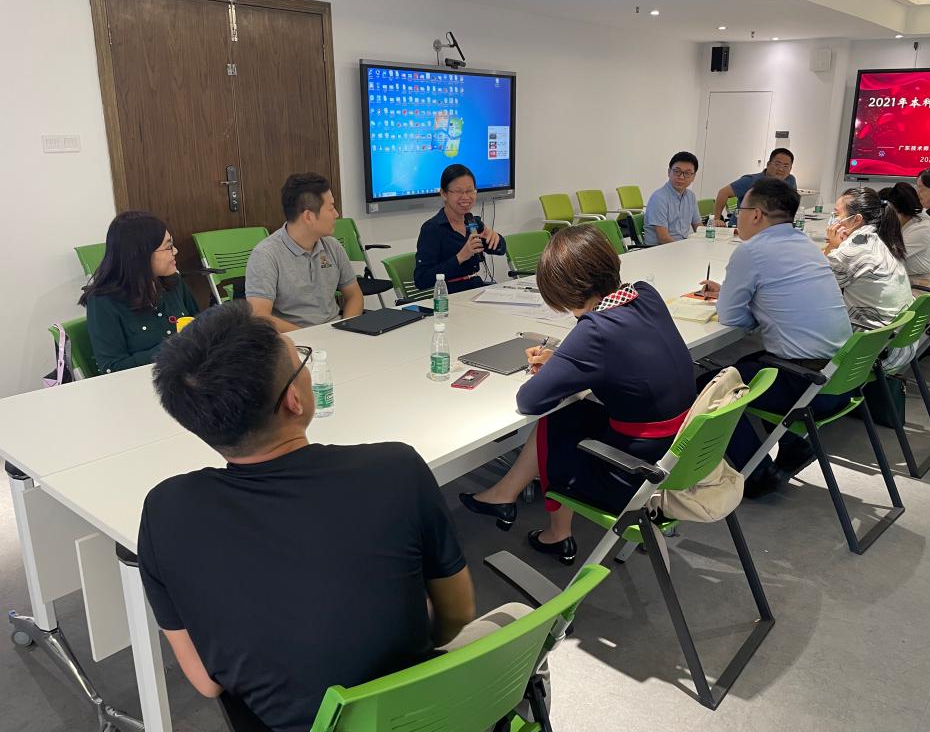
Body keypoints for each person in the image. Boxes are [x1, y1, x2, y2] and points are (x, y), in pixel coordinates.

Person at [140, 301, 476, 732]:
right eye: (301, 361)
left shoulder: (164, 510)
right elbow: (458, 614)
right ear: (294, 400)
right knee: (517, 621)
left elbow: (207, 683)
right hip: (420, 713)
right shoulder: (395, 469)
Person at [459, 225, 696, 564]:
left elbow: (530, 400)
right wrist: (567, 361)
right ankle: (506, 494)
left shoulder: (595, 329)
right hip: (678, 450)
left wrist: (567, 362)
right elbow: (623, 355)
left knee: (557, 418)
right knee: (571, 412)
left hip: (636, 473)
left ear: (567, 291)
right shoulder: (645, 294)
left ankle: (555, 531)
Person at [698, 178, 852, 498]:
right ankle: (794, 446)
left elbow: (731, 318)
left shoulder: (751, 251)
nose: (737, 217)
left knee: (707, 385)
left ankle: (756, 472)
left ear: (756, 214)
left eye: (740, 211)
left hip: (808, 384)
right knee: (747, 363)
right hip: (841, 378)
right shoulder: (806, 245)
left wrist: (746, 307)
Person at [81, 211, 199, 374]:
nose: (175, 251)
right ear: (141, 255)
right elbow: (112, 367)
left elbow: (201, 326)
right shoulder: (103, 301)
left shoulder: (174, 283)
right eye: (168, 247)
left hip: (190, 374)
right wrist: (174, 348)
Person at [245, 172, 363, 333]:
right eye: (331, 208)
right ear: (308, 216)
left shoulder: (332, 246)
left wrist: (346, 329)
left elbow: (354, 295)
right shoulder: (266, 255)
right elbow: (259, 316)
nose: (336, 214)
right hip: (294, 340)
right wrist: (311, 338)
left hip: (335, 332)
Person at [824, 187, 914, 369]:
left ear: (856, 219)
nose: (833, 220)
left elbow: (817, 282)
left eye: (837, 214)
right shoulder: (881, 238)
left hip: (871, 352)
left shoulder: (856, 249)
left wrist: (832, 247)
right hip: (895, 343)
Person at [414, 164, 506, 293]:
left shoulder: (473, 222)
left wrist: (496, 238)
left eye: (470, 191)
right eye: (458, 191)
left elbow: (500, 250)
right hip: (450, 294)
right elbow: (422, 280)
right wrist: (461, 257)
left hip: (477, 287)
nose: (465, 197)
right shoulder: (432, 229)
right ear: (444, 194)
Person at [878, 183, 930, 288]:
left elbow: (884, 261)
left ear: (894, 211)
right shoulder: (917, 220)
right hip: (929, 283)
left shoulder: (921, 230)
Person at [712, 147, 797, 227]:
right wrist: (717, 219)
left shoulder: (790, 180)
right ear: (768, 164)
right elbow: (723, 193)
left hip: (770, 227)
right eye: (777, 164)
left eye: (786, 166)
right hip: (741, 228)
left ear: (790, 169)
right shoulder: (751, 180)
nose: (781, 169)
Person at [643, 151, 704, 245]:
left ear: (693, 177)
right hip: (660, 249)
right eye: (677, 171)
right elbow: (663, 238)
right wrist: (685, 250)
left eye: (687, 173)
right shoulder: (659, 198)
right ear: (669, 172)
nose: (681, 177)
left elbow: (698, 227)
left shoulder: (691, 196)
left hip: (681, 246)